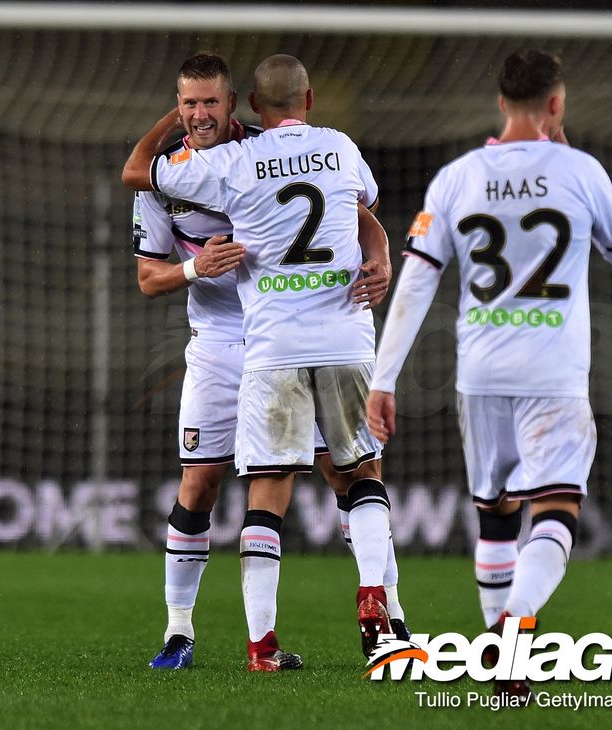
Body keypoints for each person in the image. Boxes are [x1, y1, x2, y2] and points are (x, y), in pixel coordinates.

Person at [365, 48, 612, 697]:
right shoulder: (581, 169)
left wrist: (383, 378)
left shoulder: (457, 177)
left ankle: (506, 665)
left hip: (481, 373)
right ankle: (515, 625)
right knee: (556, 508)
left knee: (495, 514)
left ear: (499, 102)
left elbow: (417, 283)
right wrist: (569, 160)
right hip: (553, 372)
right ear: (556, 103)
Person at [124, 53, 403, 671]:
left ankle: (388, 619)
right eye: (188, 104)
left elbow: (362, 218)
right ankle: (178, 631)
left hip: (275, 339)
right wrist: (196, 267)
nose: (199, 115)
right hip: (222, 343)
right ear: (177, 107)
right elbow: (147, 278)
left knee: (340, 475)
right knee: (201, 483)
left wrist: (380, 255)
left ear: (236, 104)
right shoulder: (170, 182)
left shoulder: (241, 156)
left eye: (209, 102)